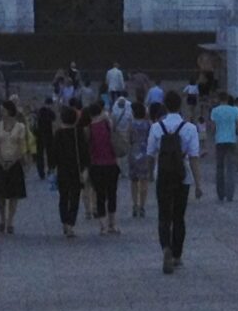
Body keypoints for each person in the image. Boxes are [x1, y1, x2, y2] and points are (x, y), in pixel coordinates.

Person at [148, 89, 205, 273]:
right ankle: (177, 255)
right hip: (183, 176)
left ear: (164, 105)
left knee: (164, 215)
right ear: (180, 105)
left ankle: (166, 247)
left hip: (162, 175)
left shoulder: (156, 127)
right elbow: (194, 157)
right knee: (179, 216)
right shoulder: (189, 128)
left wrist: (151, 174)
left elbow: (151, 154)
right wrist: (198, 184)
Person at [0, 100, 32, 235]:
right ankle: (2, 217)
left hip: (15, 162)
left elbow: (21, 146)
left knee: (14, 194)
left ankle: (10, 221)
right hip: (1, 161)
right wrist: (0, 160)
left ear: (9, 111)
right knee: (0, 194)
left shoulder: (20, 127)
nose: (2, 113)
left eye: (3, 110)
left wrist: (14, 159)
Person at [50, 100, 88, 237]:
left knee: (63, 197)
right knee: (75, 197)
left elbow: (53, 153)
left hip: (62, 170)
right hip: (76, 170)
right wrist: (85, 168)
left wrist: (52, 166)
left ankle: (65, 222)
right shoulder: (78, 133)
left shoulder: (59, 134)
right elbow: (84, 152)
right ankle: (71, 223)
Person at [86, 88, 122, 234]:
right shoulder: (108, 124)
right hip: (111, 164)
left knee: (100, 195)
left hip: (96, 165)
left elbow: (88, 148)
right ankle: (112, 224)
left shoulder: (89, 128)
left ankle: (102, 226)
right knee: (112, 194)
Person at [209, 88, 238, 201]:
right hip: (231, 140)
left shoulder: (215, 111)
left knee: (220, 168)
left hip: (220, 140)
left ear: (219, 99)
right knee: (230, 168)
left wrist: (213, 136)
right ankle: (230, 194)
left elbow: (213, 128)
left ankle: (220, 193)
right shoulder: (234, 111)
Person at [124, 92, 155, 220]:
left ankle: (135, 204)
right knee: (144, 180)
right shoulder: (148, 124)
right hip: (145, 153)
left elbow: (128, 139)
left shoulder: (131, 125)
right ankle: (142, 205)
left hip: (134, 152)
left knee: (134, 180)